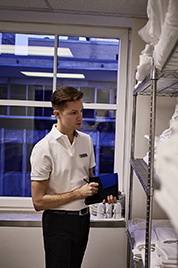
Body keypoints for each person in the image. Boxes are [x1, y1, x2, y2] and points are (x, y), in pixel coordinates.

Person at [30, 86, 116, 268]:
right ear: (57, 114)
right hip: (57, 223)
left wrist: (105, 193)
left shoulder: (86, 141)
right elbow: (38, 202)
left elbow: (89, 182)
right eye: (73, 112)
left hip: (83, 220)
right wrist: (78, 193)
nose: (80, 117)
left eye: (81, 111)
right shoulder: (43, 149)